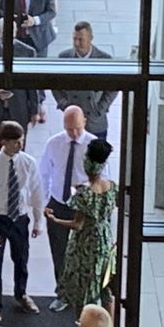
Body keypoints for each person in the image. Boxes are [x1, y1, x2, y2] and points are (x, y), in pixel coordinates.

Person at [47, 138, 117, 316]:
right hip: (104, 239)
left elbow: (77, 225)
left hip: (85, 244)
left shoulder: (84, 193)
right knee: (104, 286)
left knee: (83, 288)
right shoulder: (111, 186)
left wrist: (55, 220)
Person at [0, 121, 44, 315]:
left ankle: (21, 293)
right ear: (4, 142)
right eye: (15, 142)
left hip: (20, 218)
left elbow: (36, 192)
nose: (20, 145)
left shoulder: (28, 163)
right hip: (0, 218)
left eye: (21, 141)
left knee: (21, 258)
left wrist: (38, 221)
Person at [38, 106, 93, 311]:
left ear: (84, 122)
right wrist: (44, 202)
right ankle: (62, 293)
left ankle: (81, 293)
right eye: (70, 129)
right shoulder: (54, 143)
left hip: (82, 206)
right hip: (58, 202)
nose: (74, 133)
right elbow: (44, 173)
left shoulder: (93, 144)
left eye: (77, 128)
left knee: (81, 251)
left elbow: (102, 178)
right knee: (58, 250)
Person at [53, 21, 119, 137]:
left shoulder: (105, 59)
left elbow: (113, 87)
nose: (77, 43)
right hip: (73, 122)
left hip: (95, 123)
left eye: (81, 40)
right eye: (74, 39)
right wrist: (64, 104)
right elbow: (55, 84)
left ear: (90, 38)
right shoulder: (64, 57)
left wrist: (99, 109)